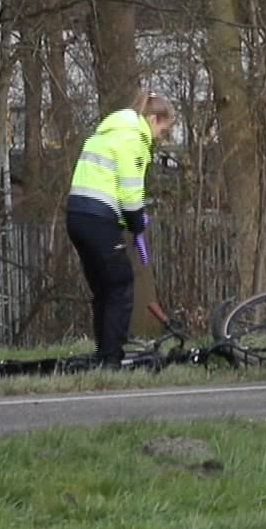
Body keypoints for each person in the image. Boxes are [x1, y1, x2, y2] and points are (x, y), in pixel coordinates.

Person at [64, 91, 177, 369]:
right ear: (153, 119)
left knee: (104, 288)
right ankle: (111, 359)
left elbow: (108, 187)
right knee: (120, 284)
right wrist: (137, 222)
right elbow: (129, 193)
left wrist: (128, 222)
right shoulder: (133, 140)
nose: (163, 135)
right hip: (98, 219)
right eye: (164, 128)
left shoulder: (106, 133)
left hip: (77, 216)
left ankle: (103, 353)